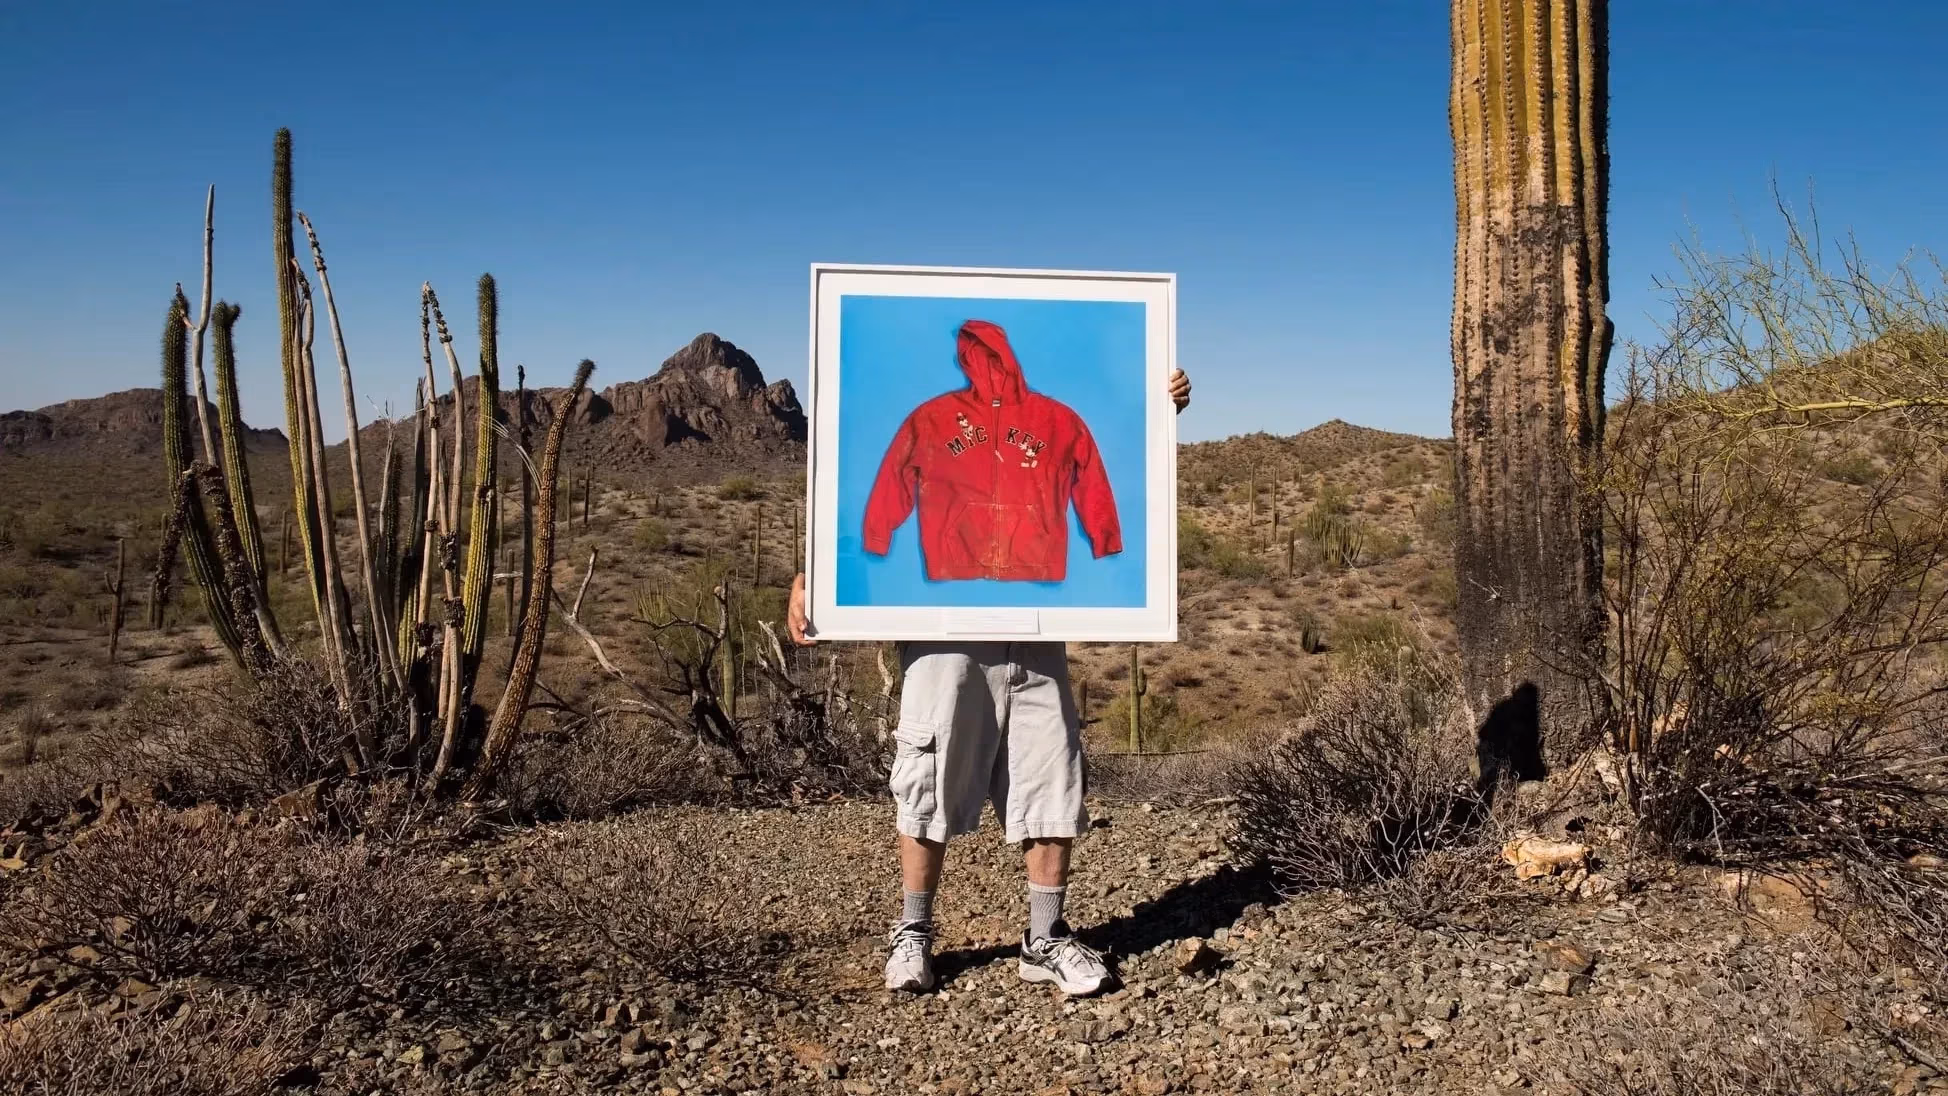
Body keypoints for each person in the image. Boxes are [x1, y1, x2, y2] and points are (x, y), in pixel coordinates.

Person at [786, 366, 1192, 997]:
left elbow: (1110, 455)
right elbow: (866, 469)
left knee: (1050, 770)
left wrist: (1151, 409)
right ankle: (915, 931)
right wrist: (825, 579)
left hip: (1038, 615)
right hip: (942, 614)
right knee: (928, 770)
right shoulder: (931, 414)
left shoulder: (1057, 417)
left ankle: (1045, 938)